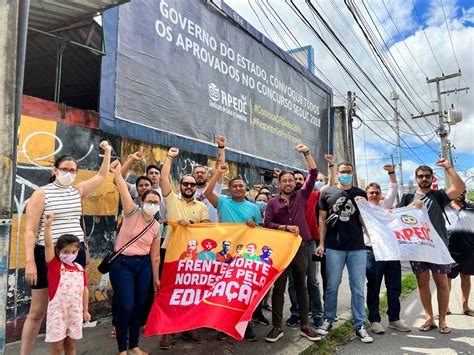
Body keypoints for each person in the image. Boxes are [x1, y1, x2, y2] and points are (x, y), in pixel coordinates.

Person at [21, 141, 112, 355]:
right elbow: (30, 231)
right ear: (55, 170)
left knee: (73, 308)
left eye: (73, 170)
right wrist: (30, 262)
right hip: (48, 255)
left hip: (74, 255)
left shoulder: (77, 190)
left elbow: (101, 176)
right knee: (37, 311)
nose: (69, 173)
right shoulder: (41, 194)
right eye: (65, 170)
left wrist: (107, 152)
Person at [397, 159, 465, 334]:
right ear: (416, 178)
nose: (424, 178)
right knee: (422, 283)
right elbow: (397, 218)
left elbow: (459, 188)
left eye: (427, 176)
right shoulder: (407, 197)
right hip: (417, 248)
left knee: (441, 282)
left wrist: (448, 168)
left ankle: (442, 320)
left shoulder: (438, 195)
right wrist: (410, 207)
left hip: (438, 247)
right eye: (421, 176)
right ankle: (429, 318)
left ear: (432, 178)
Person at [264, 144, 321, 343]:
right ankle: (277, 327)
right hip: (279, 249)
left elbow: (313, 173)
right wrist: (285, 228)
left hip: (300, 247)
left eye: (291, 180)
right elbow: (267, 223)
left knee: (301, 286)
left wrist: (306, 153)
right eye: (284, 180)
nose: (288, 183)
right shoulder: (272, 202)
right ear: (279, 184)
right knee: (279, 288)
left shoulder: (302, 195)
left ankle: (305, 325)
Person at [204, 163, 263, 340]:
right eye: (234, 186)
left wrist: (254, 226)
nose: (238, 188)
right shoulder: (222, 202)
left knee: (244, 291)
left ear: (246, 189)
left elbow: (260, 230)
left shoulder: (254, 208)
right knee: (225, 290)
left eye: (241, 186)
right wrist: (217, 173)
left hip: (246, 256)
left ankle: (246, 325)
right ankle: (224, 326)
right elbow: (207, 194)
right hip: (226, 255)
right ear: (229, 190)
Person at [316, 161, 373, 343]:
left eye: (348, 172)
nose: (345, 174)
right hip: (334, 247)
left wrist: (366, 207)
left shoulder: (360, 194)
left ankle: (359, 325)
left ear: (353, 174)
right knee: (332, 285)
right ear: (337, 174)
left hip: (357, 247)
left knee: (358, 287)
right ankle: (328, 320)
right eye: (342, 172)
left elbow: (364, 221)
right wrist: (321, 243)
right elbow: (322, 219)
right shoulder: (326, 193)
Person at [159, 147, 210, 350]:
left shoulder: (202, 206)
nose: (189, 186)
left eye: (192, 184)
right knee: (169, 292)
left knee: (190, 292)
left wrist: (190, 224)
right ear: (179, 186)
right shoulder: (171, 199)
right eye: (186, 183)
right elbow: (163, 179)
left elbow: (207, 229)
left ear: (196, 187)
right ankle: (168, 331)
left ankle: (189, 326)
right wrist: (169, 157)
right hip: (170, 252)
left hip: (193, 256)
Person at [109, 160, 161, 355]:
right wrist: (120, 168)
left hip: (144, 266)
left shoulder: (158, 226)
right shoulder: (131, 211)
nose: (152, 205)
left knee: (139, 307)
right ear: (141, 201)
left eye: (156, 203)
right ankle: (122, 348)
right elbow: (122, 187)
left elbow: (155, 255)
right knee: (126, 306)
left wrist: (156, 279)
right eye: (149, 201)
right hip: (122, 264)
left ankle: (134, 346)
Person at [286, 154, 334, 331]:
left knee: (312, 281)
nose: (297, 181)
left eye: (300, 178)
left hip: (310, 244)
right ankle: (296, 313)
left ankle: (317, 314)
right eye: (294, 179)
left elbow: (329, 185)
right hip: (290, 245)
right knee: (293, 282)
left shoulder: (312, 195)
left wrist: (331, 167)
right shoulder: (283, 199)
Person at [364, 164, 410, 334]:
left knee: (394, 286)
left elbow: (394, 187)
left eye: (377, 192)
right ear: (366, 195)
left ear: (380, 195)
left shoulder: (385, 206)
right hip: (372, 252)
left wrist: (391, 172)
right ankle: (374, 320)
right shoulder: (362, 208)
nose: (374, 195)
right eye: (371, 193)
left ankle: (394, 318)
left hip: (391, 251)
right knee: (374, 287)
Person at [43, 213, 90, 355]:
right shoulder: (54, 266)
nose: (69, 254)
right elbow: (48, 244)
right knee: (56, 349)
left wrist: (85, 310)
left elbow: (85, 290)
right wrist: (48, 226)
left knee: (71, 347)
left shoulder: (80, 269)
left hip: (75, 313)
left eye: (73, 251)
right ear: (58, 251)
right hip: (57, 314)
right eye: (65, 251)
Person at [445, 190, 474, 317]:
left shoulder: (471, 208)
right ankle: (445, 307)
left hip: (469, 250)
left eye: (463, 192)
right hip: (449, 251)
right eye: (458, 191)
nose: (460, 194)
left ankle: (465, 306)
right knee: (447, 280)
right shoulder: (444, 208)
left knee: (466, 278)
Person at [193, 135, 226, 222]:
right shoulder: (186, 191)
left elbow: (221, 167)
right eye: (197, 173)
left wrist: (221, 147)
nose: (200, 174)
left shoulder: (214, 187)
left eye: (203, 173)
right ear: (192, 176)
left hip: (211, 230)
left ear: (207, 176)